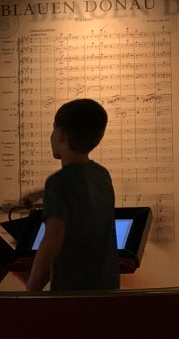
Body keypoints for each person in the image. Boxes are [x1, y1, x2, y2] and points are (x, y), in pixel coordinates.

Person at [26, 98, 118, 292]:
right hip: (106, 292)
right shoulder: (102, 175)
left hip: (71, 295)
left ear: (61, 134)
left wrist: (29, 293)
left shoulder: (58, 183)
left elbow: (52, 243)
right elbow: (79, 189)